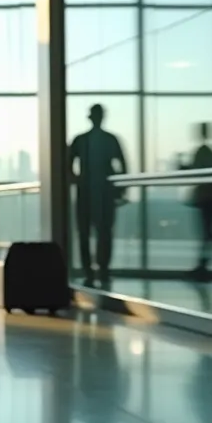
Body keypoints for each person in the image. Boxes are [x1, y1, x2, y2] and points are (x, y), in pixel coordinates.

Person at [68, 104, 127, 287]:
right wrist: (120, 188)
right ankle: (101, 269)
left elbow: (67, 164)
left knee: (89, 232)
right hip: (102, 191)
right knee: (101, 232)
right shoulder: (110, 139)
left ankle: (92, 270)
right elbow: (122, 165)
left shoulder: (81, 140)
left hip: (90, 191)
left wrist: (76, 179)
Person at [181, 121, 212, 281]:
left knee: (206, 233)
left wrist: (183, 167)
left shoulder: (202, 151)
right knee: (208, 233)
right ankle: (203, 265)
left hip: (207, 197)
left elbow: (196, 171)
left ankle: (203, 266)